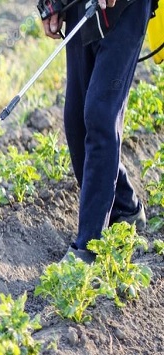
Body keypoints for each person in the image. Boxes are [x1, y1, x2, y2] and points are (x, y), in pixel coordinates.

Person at [41, 0, 159, 263]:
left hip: (127, 8)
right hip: (78, 6)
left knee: (101, 114)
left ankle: (88, 247)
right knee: (76, 121)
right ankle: (125, 208)